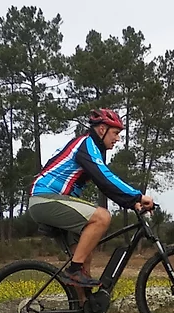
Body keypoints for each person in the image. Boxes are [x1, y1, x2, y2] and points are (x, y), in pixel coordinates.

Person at [28, 108, 155, 291]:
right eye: (116, 133)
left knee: (83, 259)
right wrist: (138, 196)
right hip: (45, 198)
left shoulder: (94, 149)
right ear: (102, 129)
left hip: (55, 201)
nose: (118, 139)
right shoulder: (86, 144)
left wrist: (131, 202)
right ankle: (74, 270)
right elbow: (105, 178)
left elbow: (104, 185)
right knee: (102, 217)